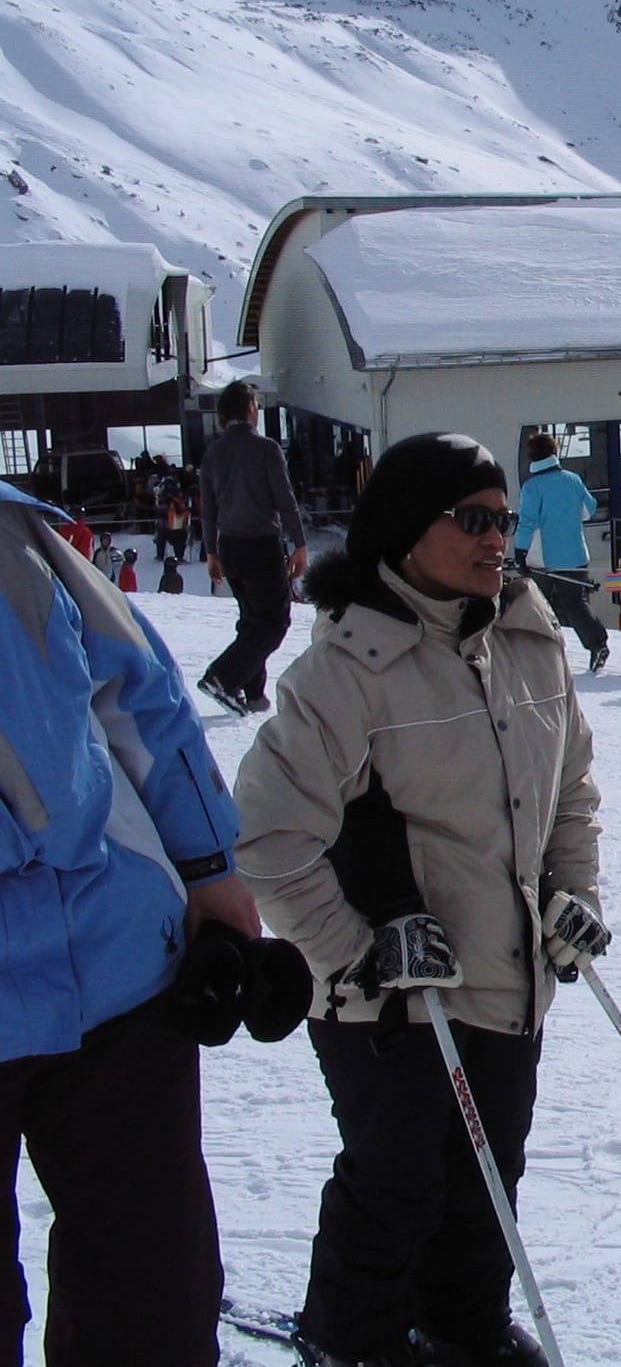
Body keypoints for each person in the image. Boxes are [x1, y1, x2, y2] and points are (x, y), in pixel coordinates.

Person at [233, 432, 606, 1367]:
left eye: (504, 520)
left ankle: (462, 1326)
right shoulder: (347, 668)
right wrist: (356, 951)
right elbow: (268, 837)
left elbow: (569, 789)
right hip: (390, 997)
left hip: (507, 970)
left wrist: (573, 892)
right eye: (472, 519)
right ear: (407, 528)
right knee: (397, 1179)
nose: (496, 539)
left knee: (490, 1171)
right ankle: (353, 1340)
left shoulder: (528, 635)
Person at [0, 479, 268, 1367]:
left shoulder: (15, 535)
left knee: (153, 1298)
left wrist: (208, 866)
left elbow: (139, 693)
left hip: (114, 964)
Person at [197, 379, 309, 715]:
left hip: (229, 546)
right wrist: (299, 543)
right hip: (261, 544)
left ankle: (254, 693)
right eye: (256, 405)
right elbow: (284, 500)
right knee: (273, 622)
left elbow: (208, 508)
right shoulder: (265, 449)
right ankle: (222, 677)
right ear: (249, 408)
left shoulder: (213, 452)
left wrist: (211, 552)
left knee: (251, 620)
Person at [513, 432, 610, 676]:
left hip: (542, 558)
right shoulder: (573, 479)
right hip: (575, 555)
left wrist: (520, 552)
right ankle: (598, 644)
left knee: (539, 604)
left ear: (531, 457)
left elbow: (527, 523)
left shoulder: (532, 487)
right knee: (576, 602)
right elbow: (590, 508)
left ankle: (543, 652)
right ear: (554, 453)